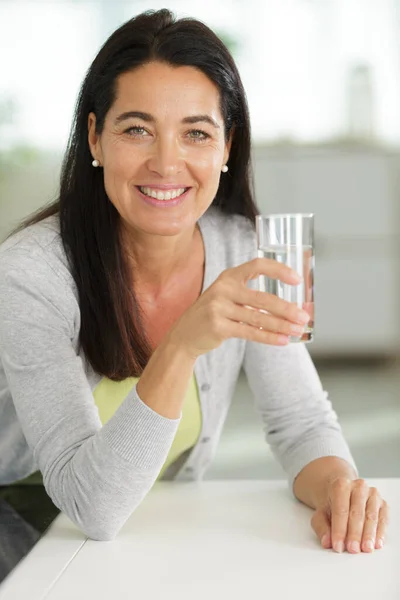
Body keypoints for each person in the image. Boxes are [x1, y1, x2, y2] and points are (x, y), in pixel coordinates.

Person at [0, 9, 388, 554]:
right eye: (137, 129)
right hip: (23, 528)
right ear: (95, 138)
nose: (167, 162)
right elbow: (90, 506)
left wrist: (337, 489)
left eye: (196, 134)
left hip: (146, 536)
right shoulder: (30, 273)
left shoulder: (240, 247)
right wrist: (182, 343)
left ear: (227, 147)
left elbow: (300, 423)